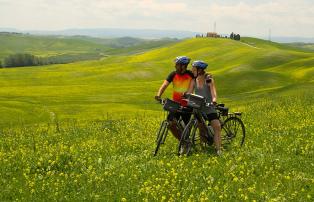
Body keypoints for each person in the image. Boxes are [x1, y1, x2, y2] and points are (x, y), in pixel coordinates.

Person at [155, 56, 194, 140]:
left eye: (177, 64)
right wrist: (158, 95)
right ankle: (182, 141)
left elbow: (199, 80)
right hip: (175, 104)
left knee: (185, 127)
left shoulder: (190, 74)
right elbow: (164, 85)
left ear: (183, 66)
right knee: (170, 123)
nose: (175, 66)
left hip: (187, 105)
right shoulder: (173, 74)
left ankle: (185, 142)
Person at [187, 60, 222, 155]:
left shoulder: (208, 78)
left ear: (200, 70)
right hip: (199, 107)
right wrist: (186, 95)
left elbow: (213, 92)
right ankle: (203, 148)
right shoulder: (194, 80)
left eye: (194, 69)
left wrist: (214, 100)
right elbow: (189, 92)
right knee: (200, 127)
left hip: (209, 106)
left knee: (217, 126)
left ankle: (218, 150)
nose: (192, 71)